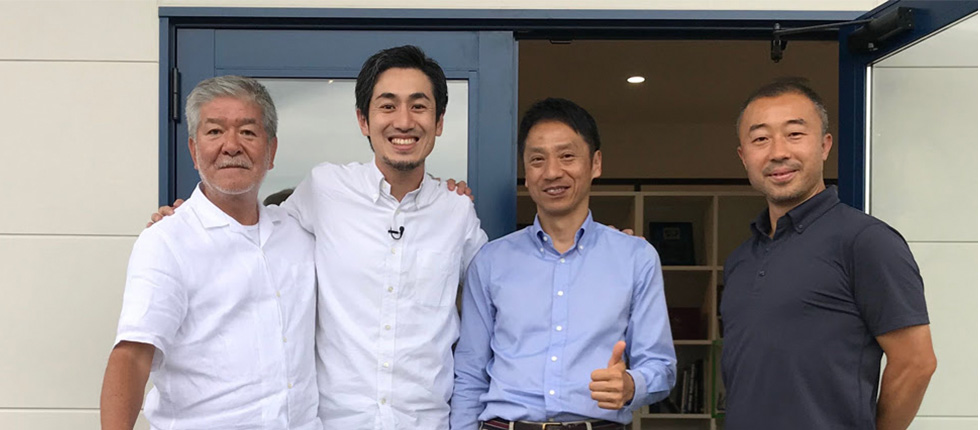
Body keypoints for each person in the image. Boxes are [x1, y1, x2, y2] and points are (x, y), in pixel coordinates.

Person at [149, 46, 483, 429]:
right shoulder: (325, 189)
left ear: (439, 122)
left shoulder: (457, 212)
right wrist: (186, 219)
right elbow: (251, 231)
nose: (403, 121)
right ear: (363, 120)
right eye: (388, 106)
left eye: (419, 106)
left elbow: (491, 303)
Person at [101, 76, 320, 430]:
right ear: (193, 150)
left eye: (248, 132)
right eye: (215, 131)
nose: (231, 146)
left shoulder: (299, 232)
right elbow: (133, 356)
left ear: (272, 150)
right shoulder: (167, 241)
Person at [721, 79, 937, 430]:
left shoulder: (865, 241)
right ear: (744, 156)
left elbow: (916, 363)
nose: (778, 152)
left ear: (824, 145)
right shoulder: (740, 260)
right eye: (760, 139)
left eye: (794, 134)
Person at [451, 98, 677, 430]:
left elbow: (661, 365)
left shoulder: (635, 257)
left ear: (596, 163)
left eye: (567, 156)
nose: (552, 172)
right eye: (537, 159)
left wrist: (631, 385)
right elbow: (470, 372)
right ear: (525, 173)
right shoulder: (490, 261)